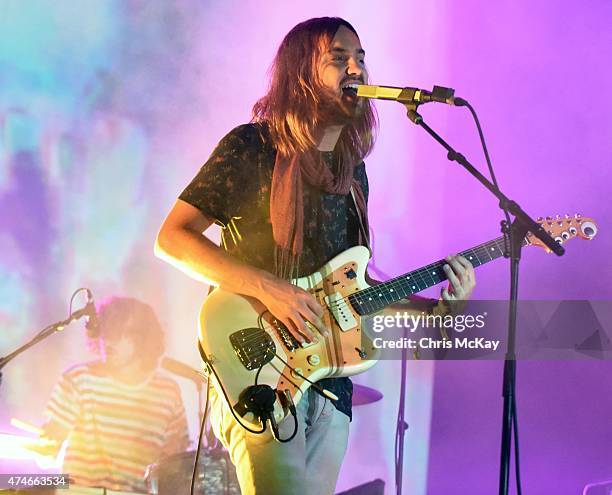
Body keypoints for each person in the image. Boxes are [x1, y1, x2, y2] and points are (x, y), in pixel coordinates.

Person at [155, 17, 475, 495]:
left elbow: (355, 285)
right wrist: (271, 289)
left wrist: (436, 309)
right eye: (339, 57)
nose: (357, 67)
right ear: (301, 72)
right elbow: (173, 238)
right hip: (260, 361)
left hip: (331, 376)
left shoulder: (352, 172)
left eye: (361, 58)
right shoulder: (251, 146)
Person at [40, 296, 189, 492]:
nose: (108, 341)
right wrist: (46, 447)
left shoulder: (168, 392)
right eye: (106, 332)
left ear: (143, 339)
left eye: (119, 333)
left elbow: (175, 462)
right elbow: (47, 452)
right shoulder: (78, 380)